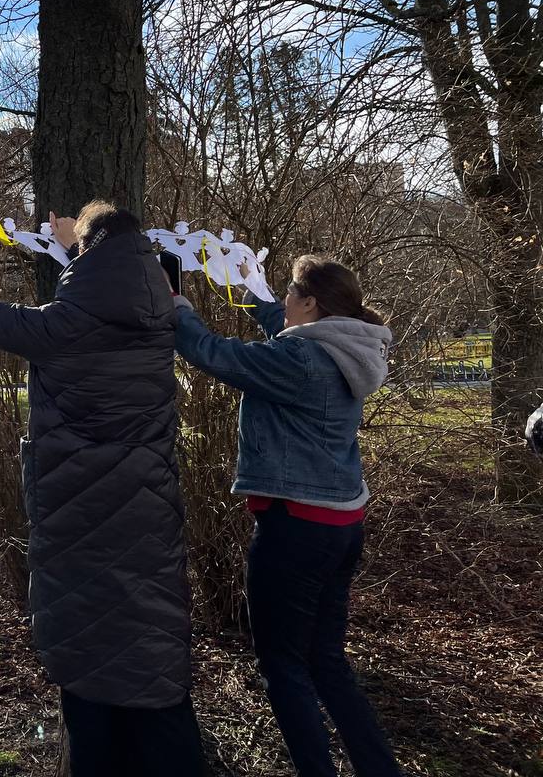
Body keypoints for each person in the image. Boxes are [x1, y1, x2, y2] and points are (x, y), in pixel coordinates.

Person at [0, 202, 203, 777]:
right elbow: (111, 286)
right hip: (149, 518)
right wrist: (77, 249)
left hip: (80, 522)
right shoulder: (162, 318)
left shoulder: (61, 328)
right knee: (153, 658)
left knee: (90, 667)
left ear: (90, 255)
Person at [173, 254, 402, 777]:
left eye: (290, 293)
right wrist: (252, 292)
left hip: (295, 530)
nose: (283, 300)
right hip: (341, 525)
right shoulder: (348, 348)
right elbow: (285, 331)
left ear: (311, 303)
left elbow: (215, 353)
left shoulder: (300, 360)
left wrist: (177, 308)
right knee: (326, 662)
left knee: (282, 667)